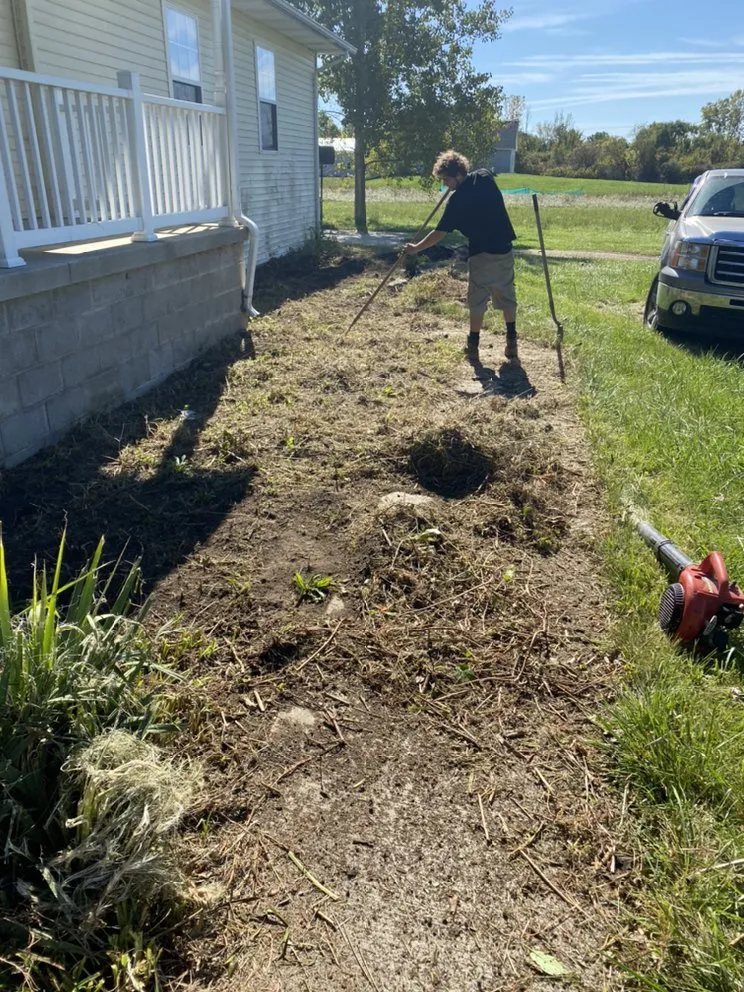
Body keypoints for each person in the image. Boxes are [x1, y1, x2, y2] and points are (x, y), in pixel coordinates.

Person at [405, 150, 519, 361]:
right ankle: (512, 342)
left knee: (477, 300)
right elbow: (477, 175)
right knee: (506, 295)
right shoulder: (484, 177)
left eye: (447, 179)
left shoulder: (456, 202)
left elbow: (438, 234)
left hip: (480, 254)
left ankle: (473, 345)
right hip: (504, 248)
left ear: (457, 175)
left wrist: (415, 248)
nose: (445, 185)